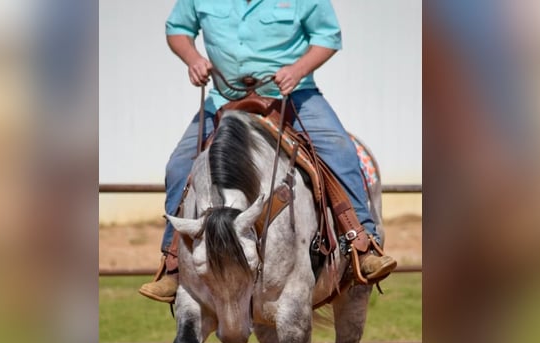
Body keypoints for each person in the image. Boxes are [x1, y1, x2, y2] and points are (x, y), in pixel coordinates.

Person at [140, 0, 396, 303]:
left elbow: (327, 37)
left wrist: (298, 70)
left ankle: (361, 244)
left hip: (294, 95)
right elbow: (178, 29)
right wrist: (193, 58)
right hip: (223, 97)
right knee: (179, 166)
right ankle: (173, 264)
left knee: (339, 151)